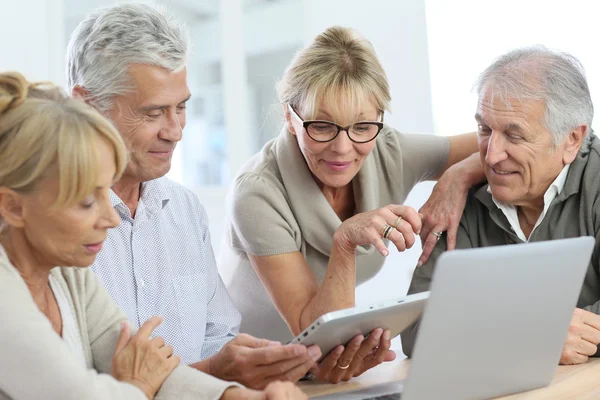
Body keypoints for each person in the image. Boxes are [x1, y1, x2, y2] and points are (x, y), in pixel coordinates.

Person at [0, 71, 308, 400]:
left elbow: (152, 369)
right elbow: (88, 394)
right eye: (87, 201)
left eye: (106, 192)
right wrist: (138, 387)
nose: (110, 218)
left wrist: (245, 398)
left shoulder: (67, 275)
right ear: (12, 207)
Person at [66, 3, 318, 389]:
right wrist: (215, 373)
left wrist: (274, 364)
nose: (176, 131)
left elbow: (218, 339)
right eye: (153, 113)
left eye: (181, 107)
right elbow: (73, 387)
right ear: (87, 105)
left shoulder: (184, 210)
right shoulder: (49, 225)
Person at [218, 26, 485, 383]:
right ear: (290, 117)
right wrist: (344, 242)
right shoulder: (256, 193)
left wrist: (458, 175)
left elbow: (501, 143)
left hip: (324, 368)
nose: (343, 149)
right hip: (250, 374)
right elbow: (315, 331)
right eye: (323, 126)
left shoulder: (389, 150)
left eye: (362, 126)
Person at [401, 46, 600, 366]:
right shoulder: (460, 202)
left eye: (514, 135)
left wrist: (481, 331)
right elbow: (415, 330)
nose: (491, 156)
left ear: (572, 140)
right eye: (484, 129)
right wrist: (531, 335)